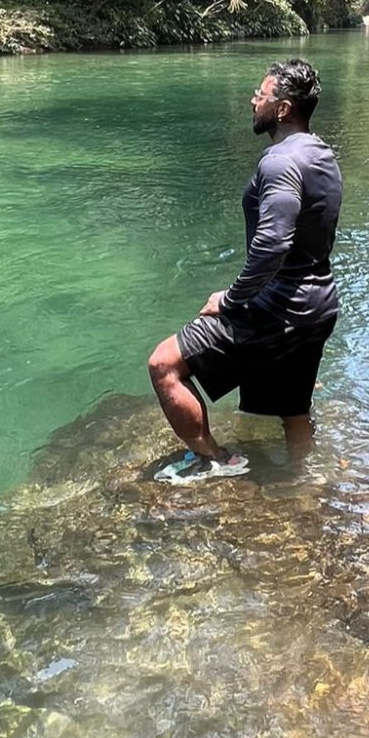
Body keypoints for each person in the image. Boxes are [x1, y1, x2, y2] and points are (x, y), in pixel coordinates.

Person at [148, 58, 342, 483]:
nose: (253, 100)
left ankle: (216, 459)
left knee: (164, 365)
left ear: (284, 108)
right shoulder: (321, 153)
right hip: (318, 305)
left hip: (278, 307)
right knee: (294, 408)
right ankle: (302, 481)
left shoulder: (279, 163)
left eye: (261, 94)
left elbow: (273, 243)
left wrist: (232, 299)